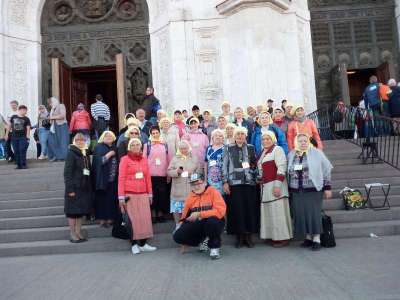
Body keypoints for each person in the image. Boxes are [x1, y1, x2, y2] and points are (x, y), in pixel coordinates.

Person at [288, 133, 333, 251]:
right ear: (296, 143)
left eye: (305, 141)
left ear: (308, 141)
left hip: (313, 189)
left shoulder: (317, 153)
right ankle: (308, 237)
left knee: (314, 214)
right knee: (301, 214)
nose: (303, 143)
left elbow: (327, 169)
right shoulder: (292, 154)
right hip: (297, 190)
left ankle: (317, 239)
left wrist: (327, 187)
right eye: (300, 141)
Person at [173, 173, 226, 260]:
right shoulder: (190, 196)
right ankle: (202, 239)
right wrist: (182, 228)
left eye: (199, 183)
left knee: (212, 222)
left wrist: (200, 214)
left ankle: (214, 247)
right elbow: (185, 214)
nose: (196, 187)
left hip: (214, 220)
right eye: (193, 184)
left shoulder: (213, 191)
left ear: (204, 182)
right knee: (177, 236)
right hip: (199, 222)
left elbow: (220, 211)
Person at [118, 138, 157, 255]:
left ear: (141, 147)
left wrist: (150, 193)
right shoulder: (124, 159)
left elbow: (148, 178)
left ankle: (143, 244)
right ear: (129, 147)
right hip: (130, 194)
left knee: (144, 219)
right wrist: (121, 196)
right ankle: (134, 244)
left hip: (143, 193)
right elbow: (121, 178)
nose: (135, 146)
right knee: (133, 220)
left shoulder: (144, 160)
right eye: (133, 144)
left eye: (138, 144)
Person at [222, 127, 258, 248]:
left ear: (245, 136)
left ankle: (248, 236)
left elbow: (254, 163)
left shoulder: (251, 147)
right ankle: (239, 236)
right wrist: (225, 182)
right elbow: (224, 165)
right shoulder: (228, 148)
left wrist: (253, 173)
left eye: (242, 134)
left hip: (249, 183)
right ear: (234, 136)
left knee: (249, 209)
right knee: (237, 210)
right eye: (238, 134)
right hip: (234, 183)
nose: (240, 136)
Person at [257, 131, 292, 247]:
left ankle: (283, 237)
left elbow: (281, 167)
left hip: (276, 186)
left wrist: (278, 185)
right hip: (266, 186)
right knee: (270, 213)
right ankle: (272, 236)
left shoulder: (277, 150)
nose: (265, 141)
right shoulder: (263, 152)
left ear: (273, 140)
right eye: (263, 139)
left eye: (268, 139)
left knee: (278, 213)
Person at [64, 133, 92, 243]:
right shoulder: (71, 153)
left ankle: (78, 232)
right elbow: (67, 173)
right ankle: (72, 234)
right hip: (74, 188)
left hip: (83, 188)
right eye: (78, 139)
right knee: (72, 212)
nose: (80, 141)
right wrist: (70, 189)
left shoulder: (84, 153)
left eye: (82, 140)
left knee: (80, 212)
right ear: (74, 141)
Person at [167, 140, 201, 229]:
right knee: (177, 210)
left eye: (185, 148)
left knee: (191, 211)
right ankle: (178, 226)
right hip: (178, 190)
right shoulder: (175, 158)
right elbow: (169, 172)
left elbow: (199, 173)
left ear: (189, 148)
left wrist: (192, 175)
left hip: (191, 189)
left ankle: (190, 228)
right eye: (181, 148)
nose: (183, 150)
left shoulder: (195, 158)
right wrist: (176, 172)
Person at [143, 126, 170, 223]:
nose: (155, 135)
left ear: (159, 133)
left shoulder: (165, 145)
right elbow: (144, 160)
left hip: (162, 174)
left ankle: (160, 214)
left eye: (156, 133)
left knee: (162, 195)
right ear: (151, 134)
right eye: (153, 133)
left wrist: (168, 174)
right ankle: (153, 215)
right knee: (153, 195)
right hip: (151, 175)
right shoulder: (147, 145)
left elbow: (168, 159)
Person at [92, 131, 118, 227]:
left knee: (111, 200)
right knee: (101, 200)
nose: (108, 137)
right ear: (102, 137)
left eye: (111, 135)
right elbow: (99, 162)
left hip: (113, 179)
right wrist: (109, 155)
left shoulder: (116, 148)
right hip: (102, 179)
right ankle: (102, 219)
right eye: (106, 135)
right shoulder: (99, 147)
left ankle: (110, 218)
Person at [5, 105, 31, 169]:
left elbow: (28, 129)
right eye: (24, 110)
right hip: (14, 137)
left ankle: (24, 164)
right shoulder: (13, 117)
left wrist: (28, 138)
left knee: (22, 150)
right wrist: (6, 134)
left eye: (26, 110)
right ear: (19, 110)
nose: (25, 112)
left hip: (23, 137)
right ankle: (19, 165)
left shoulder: (26, 119)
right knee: (16, 151)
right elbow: (9, 126)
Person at [48, 97, 69, 161]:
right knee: (51, 141)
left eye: (50, 103)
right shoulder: (52, 109)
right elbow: (51, 119)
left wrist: (52, 117)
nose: (50, 105)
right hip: (54, 127)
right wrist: (50, 119)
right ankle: (56, 156)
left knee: (63, 142)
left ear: (53, 101)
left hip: (61, 125)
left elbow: (63, 115)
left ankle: (63, 157)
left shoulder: (61, 106)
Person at [205, 129, 225, 195]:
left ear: (223, 138)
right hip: (210, 179)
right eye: (216, 135)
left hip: (222, 179)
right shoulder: (208, 148)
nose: (218, 137)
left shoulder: (226, 148)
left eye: (220, 136)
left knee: (221, 200)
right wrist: (205, 178)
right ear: (212, 138)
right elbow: (206, 163)